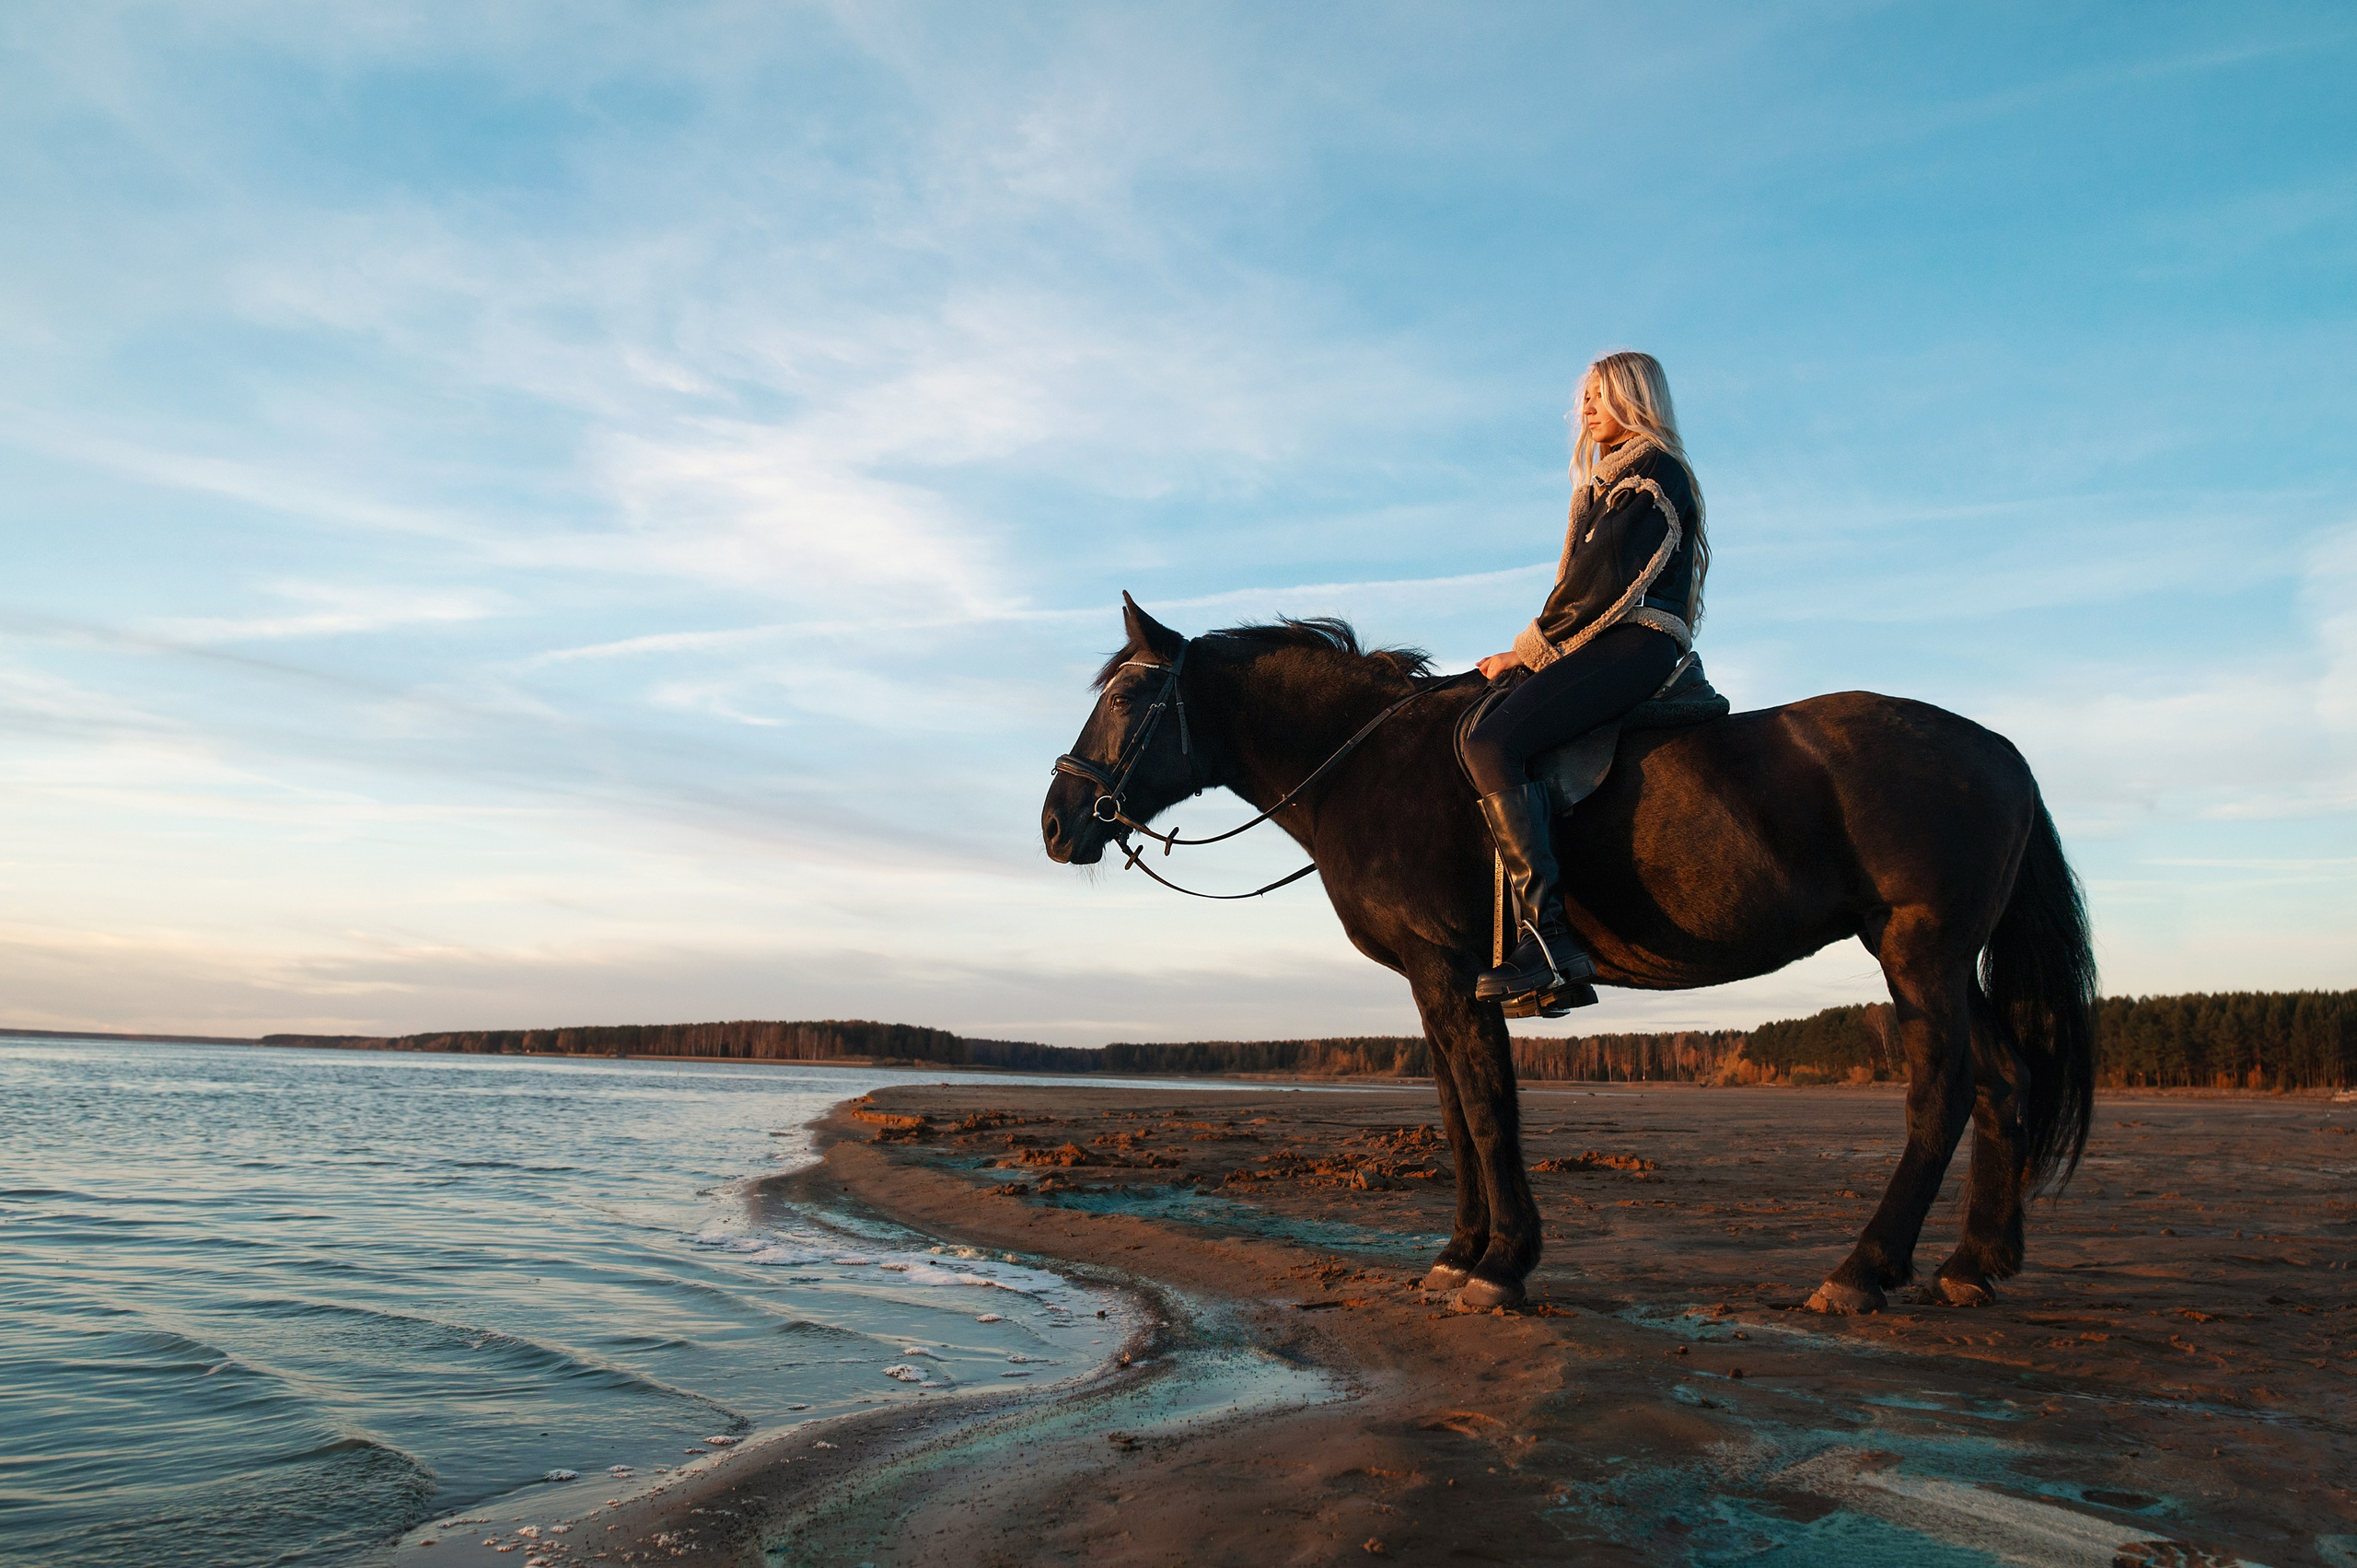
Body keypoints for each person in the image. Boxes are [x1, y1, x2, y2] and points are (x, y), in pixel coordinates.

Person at [1465, 351, 1710, 1008]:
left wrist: (1528, 650)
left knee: (1491, 743)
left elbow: (1600, 583)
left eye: (1604, 394)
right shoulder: (1607, 483)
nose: (1588, 407)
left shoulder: (1651, 473)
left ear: (1637, 400)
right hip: (1611, 637)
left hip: (1640, 641)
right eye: (1586, 396)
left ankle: (1546, 939)